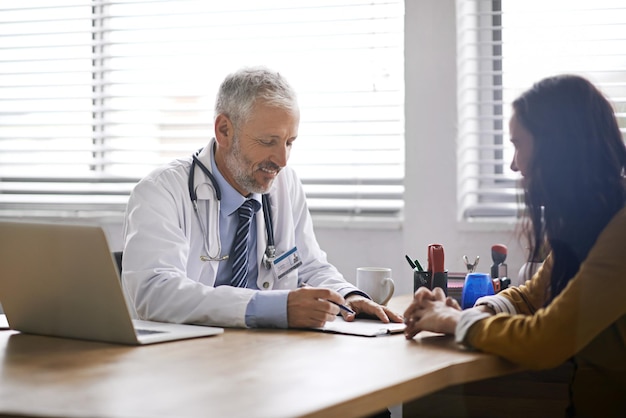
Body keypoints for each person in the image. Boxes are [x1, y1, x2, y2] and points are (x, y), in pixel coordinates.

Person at [403, 74, 626, 416]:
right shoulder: (590, 217)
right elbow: (531, 295)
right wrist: (477, 310)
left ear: (557, 148)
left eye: (519, 144)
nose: (513, 164)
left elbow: (546, 340)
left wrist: (451, 321)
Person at [121, 66, 403, 331]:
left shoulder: (285, 183)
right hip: (184, 359)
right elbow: (154, 293)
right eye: (268, 142)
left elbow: (308, 264)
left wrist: (347, 297)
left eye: (289, 142)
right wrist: (270, 307)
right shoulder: (161, 192)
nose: (282, 160)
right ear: (224, 131)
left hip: (265, 353)